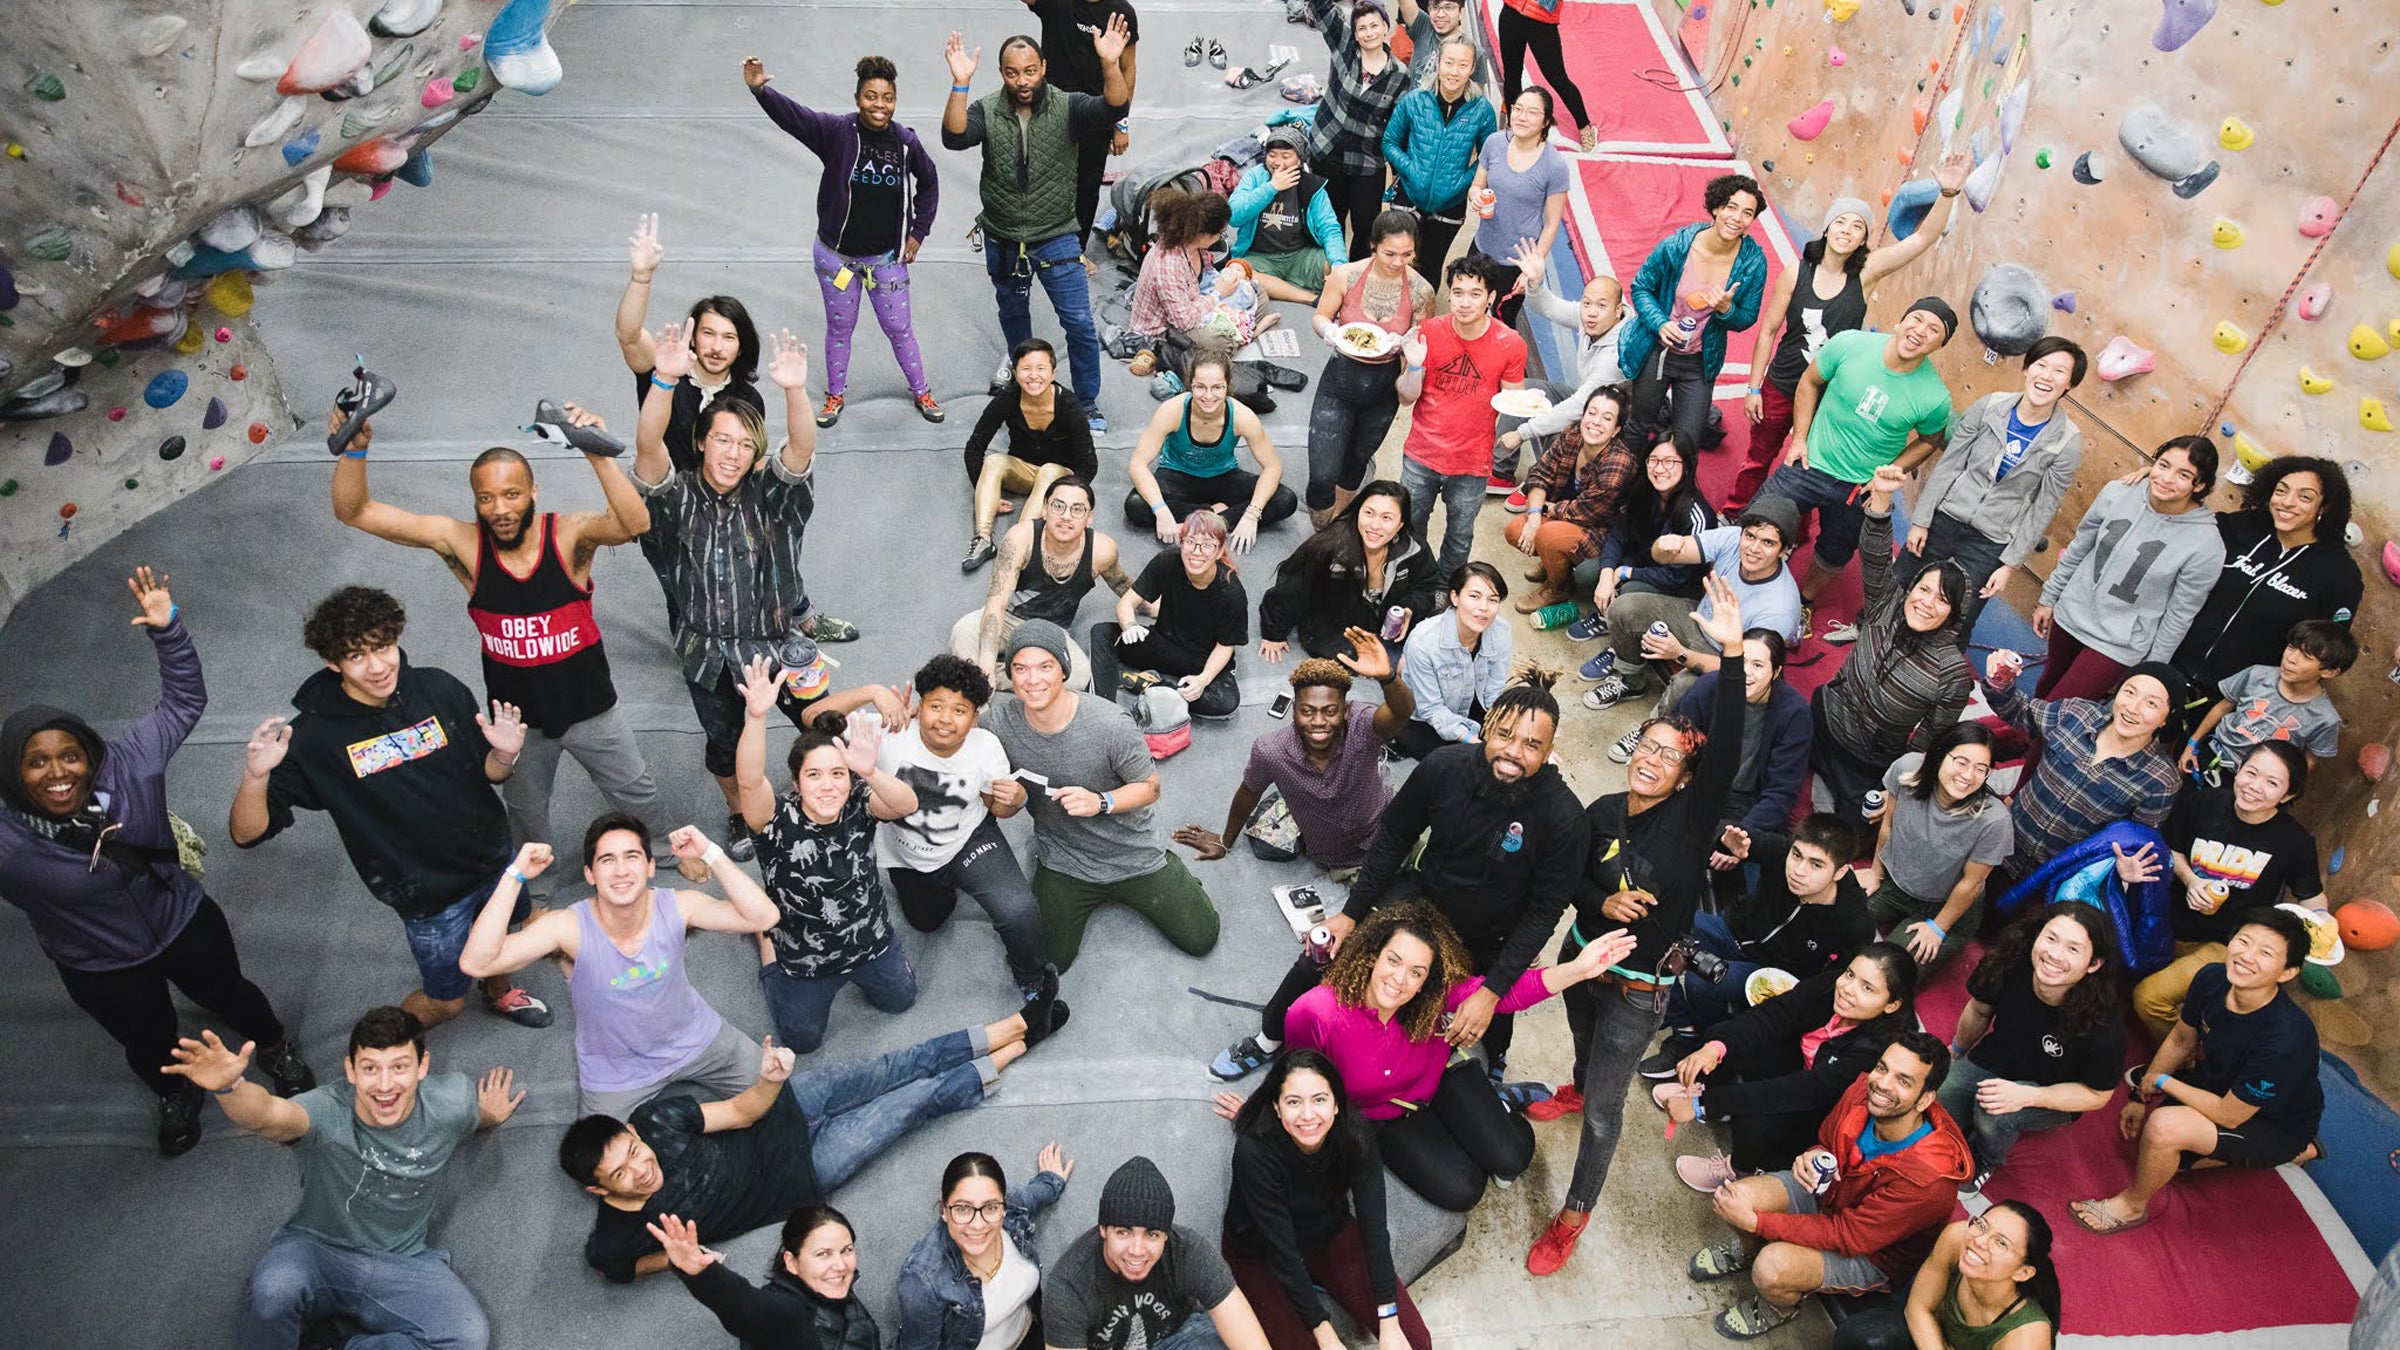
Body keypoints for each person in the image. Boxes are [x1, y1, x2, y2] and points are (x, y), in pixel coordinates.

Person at [3, 567, 311, 1156]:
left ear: (89, 753)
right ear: (12, 776)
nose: (58, 771)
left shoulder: (130, 763)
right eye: (35, 763)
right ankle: (173, 1093)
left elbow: (183, 701)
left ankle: (273, 1047)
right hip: (98, 963)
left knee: (232, 994)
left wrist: (168, 631)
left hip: (181, 919)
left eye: (69, 755)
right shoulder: (7, 838)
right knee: (146, 1038)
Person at [1525, 583, 1754, 1273]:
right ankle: (1571, 1082)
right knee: (1580, 1043)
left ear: (1688, 778)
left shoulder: (1691, 816)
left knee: (1603, 1111)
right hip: (1580, 963)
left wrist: (1735, 654)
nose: (1651, 759)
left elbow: (1732, 732)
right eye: (1646, 746)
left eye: (1668, 755)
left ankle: (1573, 1214)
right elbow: (1563, 882)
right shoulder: (1597, 810)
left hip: (1638, 990)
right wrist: (1602, 903)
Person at [328, 394, 660, 865]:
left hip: (592, 708)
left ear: (533, 491)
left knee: (637, 793)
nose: (499, 508)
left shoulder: (566, 535)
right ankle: (537, 893)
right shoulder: (462, 543)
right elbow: (355, 511)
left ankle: (664, 850)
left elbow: (635, 523)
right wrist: (355, 450)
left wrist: (595, 452)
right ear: (475, 501)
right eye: (486, 498)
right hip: (517, 723)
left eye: (511, 494)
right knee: (526, 816)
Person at [1214, 673, 1591, 1084]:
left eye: (1532, 744)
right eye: (1505, 735)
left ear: (1549, 750)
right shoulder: (1444, 766)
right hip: (1420, 901)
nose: (1513, 752)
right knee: (1320, 955)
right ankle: (1268, 1038)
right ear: (1487, 728)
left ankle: (1495, 1064)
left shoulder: (1566, 819)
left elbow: (1544, 912)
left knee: (1494, 1015)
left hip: (1491, 935)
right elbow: (1393, 838)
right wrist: (1352, 913)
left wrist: (1492, 991)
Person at [229, 585, 551, 1032]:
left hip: (495, 863)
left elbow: (490, 774)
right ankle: (383, 1047)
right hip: (429, 897)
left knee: (497, 941)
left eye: (383, 646)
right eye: (357, 656)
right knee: (446, 1002)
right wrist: (256, 777)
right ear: (332, 662)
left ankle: (499, 992)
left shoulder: (440, 689)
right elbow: (247, 834)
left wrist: (504, 755)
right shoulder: (313, 738)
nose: (378, 666)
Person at [567, 1003, 1064, 1282]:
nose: (640, 1169)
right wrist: (675, 1256)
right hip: (802, 1175)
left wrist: (768, 1080)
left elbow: (741, 1111)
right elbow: (617, 1266)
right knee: (912, 1103)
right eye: (621, 1175)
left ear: (632, 1133)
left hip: (789, 1106)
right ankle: (1016, 1050)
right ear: (597, 1189)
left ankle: (1018, 1022)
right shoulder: (613, 1234)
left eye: (632, 1152)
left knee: (897, 1065)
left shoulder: (653, 1120)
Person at [635, 325, 883, 858]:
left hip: (777, 641)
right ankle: (737, 814)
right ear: (701, 440)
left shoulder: (771, 495)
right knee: (724, 747)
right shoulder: (676, 497)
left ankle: (836, 792)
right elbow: (647, 447)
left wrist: (795, 390)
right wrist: (662, 380)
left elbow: (798, 453)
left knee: (824, 722)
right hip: (707, 653)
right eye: (722, 439)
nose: (732, 453)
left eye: (746, 445)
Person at [164, 1007, 523, 1350]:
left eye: (399, 1066)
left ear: (422, 1067)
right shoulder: (325, 1111)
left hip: (404, 1259)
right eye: (370, 1068)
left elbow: (471, 1115)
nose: (384, 1085)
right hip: (317, 1248)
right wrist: (230, 1089)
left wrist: (487, 1114)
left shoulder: (453, 1102)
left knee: (465, 1337)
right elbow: (267, 1115)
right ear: (350, 1070)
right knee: (272, 1293)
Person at [1258, 902, 1637, 1210]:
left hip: (1440, 1078)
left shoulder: (1434, 993)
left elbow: (1504, 995)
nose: (1400, 980)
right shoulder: (1316, 1012)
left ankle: (1499, 1106)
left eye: (1416, 972)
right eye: (1393, 961)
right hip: (1384, 1113)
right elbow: (1297, 1077)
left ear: (1428, 978)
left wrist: (1578, 969)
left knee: (1511, 1159)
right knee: (1462, 1192)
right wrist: (1263, 1122)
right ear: (1373, 955)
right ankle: (1478, 1117)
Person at [457, 814, 777, 1114]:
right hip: (617, 1072)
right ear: (589, 874)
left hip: (697, 1040)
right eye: (607, 860)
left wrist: (709, 851)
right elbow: (477, 963)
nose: (621, 870)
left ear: (651, 866)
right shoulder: (568, 928)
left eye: (632, 857)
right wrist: (515, 875)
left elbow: (764, 916)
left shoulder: (679, 906)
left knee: (773, 1088)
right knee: (603, 1167)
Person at [1726, 154, 1970, 515]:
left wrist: (1948, 192)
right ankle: (1734, 510)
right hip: (1784, 380)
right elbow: (1769, 332)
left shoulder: (1867, 273)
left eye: (1857, 227)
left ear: (1863, 240)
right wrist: (1753, 387)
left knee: (1810, 465)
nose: (1846, 230)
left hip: (1832, 389)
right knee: (1759, 454)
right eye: (1839, 222)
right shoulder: (1796, 273)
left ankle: (1797, 527)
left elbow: (1922, 239)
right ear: (1827, 228)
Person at [1686, 1033, 1972, 1339]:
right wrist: (1811, 1156)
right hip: (1830, 1196)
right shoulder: (1864, 1088)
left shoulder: (1929, 1181)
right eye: (1882, 1068)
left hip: (1871, 1253)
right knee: (1737, 1195)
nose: (1883, 1084)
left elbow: (1849, 1235)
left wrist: (1759, 1223)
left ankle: (1777, 1308)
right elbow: (1826, 1140)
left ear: (1926, 1099)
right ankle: (1746, 1251)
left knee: (1771, 1267)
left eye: (1904, 1081)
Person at [984, 620, 1221, 969]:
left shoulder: (1110, 724)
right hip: (1064, 858)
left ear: (1063, 670)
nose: (1032, 680)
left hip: (1131, 852)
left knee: (1202, 937)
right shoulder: (998, 724)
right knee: (1047, 960)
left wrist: (1101, 802)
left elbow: (1150, 787)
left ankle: (1172, 873)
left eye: (1044, 667)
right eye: (1021, 669)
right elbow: (947, 732)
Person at [2073, 908, 2323, 1235]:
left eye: (2265, 953)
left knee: (2164, 1130)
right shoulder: (2212, 978)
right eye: (2243, 941)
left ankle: (2133, 1207)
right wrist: (2140, 1095)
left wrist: (2163, 1081)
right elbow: (2180, 1038)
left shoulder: (2285, 1039)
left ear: (2287, 972)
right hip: (2219, 1086)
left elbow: (2229, 1114)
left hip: (2269, 1122)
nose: (2246, 956)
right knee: (2159, 1151)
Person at [941, 23, 1130, 426]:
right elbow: (954, 137)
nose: (1022, 80)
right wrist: (960, 84)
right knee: (1014, 314)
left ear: (1043, 67)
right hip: (1004, 236)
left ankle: (1087, 403)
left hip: (1058, 235)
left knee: (1079, 322)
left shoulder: (1069, 106)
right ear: (1002, 73)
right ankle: (1026, 387)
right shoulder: (987, 110)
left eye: (1029, 71)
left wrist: (1110, 64)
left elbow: (1114, 108)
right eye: (1012, 73)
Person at [734, 665, 926, 1053]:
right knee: (802, 1042)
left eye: (838, 773)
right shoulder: (775, 821)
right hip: (802, 958)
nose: (827, 785)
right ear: (796, 783)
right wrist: (756, 716)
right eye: (814, 775)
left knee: (903, 999)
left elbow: (907, 804)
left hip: (869, 941)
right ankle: (765, 940)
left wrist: (868, 772)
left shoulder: (858, 801)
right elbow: (750, 781)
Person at [745, 53, 943, 426]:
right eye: (871, 96)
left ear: (895, 101)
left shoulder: (905, 143)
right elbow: (795, 117)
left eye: (886, 98)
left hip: (885, 262)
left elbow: (929, 183)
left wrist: (918, 232)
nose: (879, 106)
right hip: (836, 260)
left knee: (900, 329)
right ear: (857, 98)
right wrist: (760, 91)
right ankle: (835, 396)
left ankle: (922, 392)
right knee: (840, 329)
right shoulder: (837, 132)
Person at [1655, 944, 1923, 1189]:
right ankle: (1700, 1088)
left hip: (1816, 1116)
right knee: (1729, 1036)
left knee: (1757, 1117)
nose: (1848, 988)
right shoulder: (1833, 986)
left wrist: (1705, 1105)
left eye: (1867, 988)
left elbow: (1800, 1092)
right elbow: (1774, 1014)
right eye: (1851, 974)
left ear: (1892, 1004)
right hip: (1799, 1069)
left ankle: (1739, 1170)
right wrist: (1715, 1048)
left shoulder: (1877, 1052)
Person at [1218, 1050, 1434, 1349]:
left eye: (1319, 1099)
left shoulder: (1356, 1136)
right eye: (1294, 1102)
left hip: (1326, 1232)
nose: (1308, 1115)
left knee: (1415, 1343)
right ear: (1277, 1108)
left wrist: (1389, 1319)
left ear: (1336, 1104)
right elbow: (1282, 1251)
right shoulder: (1254, 1152)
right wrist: (1324, 1332)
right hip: (1261, 1252)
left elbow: (1374, 1230)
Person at [876, 656, 1058, 1006]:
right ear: (919, 705)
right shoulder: (892, 732)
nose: (945, 719)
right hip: (911, 856)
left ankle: (1031, 975)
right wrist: (871, 692)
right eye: (936, 706)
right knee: (927, 922)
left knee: (1017, 910)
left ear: (975, 719)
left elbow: (999, 809)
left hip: (969, 839)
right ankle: (944, 886)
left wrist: (1015, 801)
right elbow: (813, 717)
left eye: (960, 710)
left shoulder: (985, 746)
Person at [1758, 299, 1957, 608]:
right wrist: (1799, 438)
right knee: (1759, 519)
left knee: (1834, 552)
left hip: (1858, 487)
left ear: (1939, 345)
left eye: (1933, 331)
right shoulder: (1849, 343)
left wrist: (1889, 473)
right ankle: (1749, 584)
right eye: (1916, 320)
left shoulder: (1935, 397)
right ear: (1900, 321)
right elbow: (1810, 381)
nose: (1920, 332)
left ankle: (1803, 603)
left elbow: (1929, 440)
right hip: (1810, 462)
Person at [1809, 465, 1973, 835]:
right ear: (1911, 588)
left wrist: (1895, 783)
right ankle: (1818, 772)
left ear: (1953, 615)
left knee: (1848, 835)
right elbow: (1875, 554)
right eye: (1924, 590)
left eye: (1943, 600)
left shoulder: (1952, 674)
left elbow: (1929, 741)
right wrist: (1881, 498)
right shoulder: (1888, 603)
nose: (1928, 603)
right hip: (1826, 717)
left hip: (1867, 761)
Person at [2130, 741, 2326, 1039]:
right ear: (2239, 770)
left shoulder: (2295, 841)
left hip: (2227, 942)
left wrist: (2324, 924)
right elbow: (2172, 847)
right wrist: (2191, 880)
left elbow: (2310, 896)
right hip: (2165, 922)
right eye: (2251, 773)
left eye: (2271, 783)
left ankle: (2191, 1058)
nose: (2254, 787)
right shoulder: (2203, 802)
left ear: (2288, 794)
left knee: (2148, 998)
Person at [1174, 633, 1414, 875]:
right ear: (1293, 711)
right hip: (1340, 858)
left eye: (1330, 711)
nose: (1318, 722)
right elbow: (1249, 791)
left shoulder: (1362, 724)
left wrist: (1388, 678)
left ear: (1345, 710)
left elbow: (1401, 712)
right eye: (1307, 711)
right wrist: (1225, 842)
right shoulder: (1271, 751)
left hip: (1387, 826)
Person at [1899, 336, 2089, 638]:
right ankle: (1870, 638)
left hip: (1990, 540)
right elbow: (1950, 464)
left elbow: (2043, 508)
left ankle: (1934, 679)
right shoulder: (1989, 406)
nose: (2047, 376)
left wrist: (2009, 563)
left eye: (2059, 371)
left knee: (1963, 615)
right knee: (1904, 582)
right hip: (1945, 516)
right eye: (2041, 365)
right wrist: (1921, 519)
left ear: (2069, 385)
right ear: (2027, 369)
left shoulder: (2067, 442)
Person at [1643, 815, 1874, 1060]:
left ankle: (1704, 1042)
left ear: (1840, 872)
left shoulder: (1854, 921)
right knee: (1654, 923)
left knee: (1701, 980)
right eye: (1797, 855)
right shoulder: (1782, 852)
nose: (1798, 870)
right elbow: (1719, 828)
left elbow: (1840, 978)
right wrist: (1724, 840)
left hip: (1768, 970)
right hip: (1731, 930)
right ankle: (1683, 1026)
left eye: (1816, 865)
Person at [1943, 901, 2124, 1184]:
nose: (2054, 955)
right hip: (2000, 1057)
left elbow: (2097, 1095)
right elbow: (1979, 1010)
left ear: (2094, 964)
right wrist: (1957, 1050)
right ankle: (1953, 1133)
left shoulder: (2103, 1023)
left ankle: (1985, 1158)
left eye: (2073, 949)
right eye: (2050, 938)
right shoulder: (2007, 963)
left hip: (2053, 1089)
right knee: (1947, 1089)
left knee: (1995, 1114)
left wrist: (2029, 1096)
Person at [2032, 436, 2223, 703]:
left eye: (2183, 475)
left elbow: (2180, 614)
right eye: (2163, 465)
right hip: (2072, 614)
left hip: (2119, 644)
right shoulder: (2118, 492)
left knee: (2062, 709)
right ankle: (2018, 742)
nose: (2167, 478)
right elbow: (2080, 546)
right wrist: (2049, 597)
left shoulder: (2206, 545)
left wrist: (2151, 669)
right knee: (2045, 688)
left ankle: (2032, 745)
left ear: (2199, 485)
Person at [1979, 653, 2180, 890]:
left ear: (2166, 719)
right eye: (2129, 692)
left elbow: (2134, 841)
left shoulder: (2161, 780)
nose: (2133, 708)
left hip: (2054, 879)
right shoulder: (2077, 713)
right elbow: (2022, 713)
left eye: (2151, 703)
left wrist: (2123, 869)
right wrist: (2000, 683)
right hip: (2002, 840)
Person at [1583, 495, 1801, 713]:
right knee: (1624, 608)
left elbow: (1742, 671)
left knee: (1684, 688)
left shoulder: (1779, 609)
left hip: (1729, 655)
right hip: (1698, 617)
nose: (1753, 548)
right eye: (1750, 536)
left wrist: (1679, 653)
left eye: (1768, 543)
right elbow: (1667, 554)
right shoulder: (1733, 538)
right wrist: (1664, 547)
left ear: (1784, 551)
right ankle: (1630, 681)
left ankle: (1657, 728)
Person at [2174, 455, 2362, 697]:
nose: (2287, 503)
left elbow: (2326, 648)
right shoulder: (2244, 526)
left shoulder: (2340, 574)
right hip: (2169, 667)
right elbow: (2183, 523)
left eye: (2304, 497)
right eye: (2281, 491)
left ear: (2324, 507)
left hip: (2235, 700)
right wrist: (2153, 482)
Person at [1044, 1156, 1274, 1350]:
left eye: (1151, 1234)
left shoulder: (1189, 1252)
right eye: (1123, 1232)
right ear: (1103, 1229)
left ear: (1166, 1234)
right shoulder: (1069, 1285)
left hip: (1178, 1338)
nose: (1136, 1250)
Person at [1657, 632, 1811, 915]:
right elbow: (1676, 744)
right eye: (1740, 661)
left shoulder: (1794, 714)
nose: (1746, 673)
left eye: (1758, 665)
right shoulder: (1710, 687)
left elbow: (1780, 793)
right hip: (1700, 790)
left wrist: (1738, 837)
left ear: (1777, 672)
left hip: (1749, 808)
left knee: (1750, 902)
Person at [1618, 174, 1769, 460]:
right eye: (1730, 207)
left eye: (1747, 213)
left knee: (1688, 440)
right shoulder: (1677, 246)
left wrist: (1726, 310)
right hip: (1657, 353)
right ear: (1716, 208)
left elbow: (1747, 317)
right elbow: (1641, 287)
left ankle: (1671, 498)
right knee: (1638, 426)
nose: (1737, 218)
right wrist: (1660, 323)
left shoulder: (1753, 262)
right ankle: (1620, 488)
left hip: (1700, 362)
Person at [1397, 253, 1529, 579]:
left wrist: (1522, 420)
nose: (1465, 302)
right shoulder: (1428, 331)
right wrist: (1414, 365)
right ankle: (1411, 586)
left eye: (1475, 294)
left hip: (1472, 462)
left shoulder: (1510, 343)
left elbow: (1514, 402)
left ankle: (1446, 592)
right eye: (1458, 293)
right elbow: (1405, 396)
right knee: (1410, 531)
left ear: (1491, 298)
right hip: (1421, 455)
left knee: (1459, 538)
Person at [1302, 211, 1437, 525]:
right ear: (1373, 246)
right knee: (1322, 475)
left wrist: (1406, 350)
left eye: (1407, 255)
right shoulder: (1346, 276)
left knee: (1354, 464)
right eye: (1390, 253)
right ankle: (1320, 530)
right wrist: (1330, 332)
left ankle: (1335, 527)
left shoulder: (1421, 291)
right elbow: (1320, 316)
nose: (1397, 262)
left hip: (1382, 387)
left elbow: (1418, 346)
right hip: (1341, 379)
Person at [1856, 721, 2014, 969]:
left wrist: (1939, 928)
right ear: (1940, 754)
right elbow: (1888, 826)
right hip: (1896, 882)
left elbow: (1971, 884)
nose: (1968, 776)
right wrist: (1875, 872)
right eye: (1961, 762)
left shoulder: (1993, 820)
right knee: (1838, 915)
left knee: (1887, 970)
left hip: (1944, 905)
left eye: (1981, 769)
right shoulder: (1908, 768)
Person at [614, 214, 764, 473]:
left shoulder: (750, 399)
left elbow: (754, 464)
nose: (717, 347)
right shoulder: (665, 373)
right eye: (708, 333)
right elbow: (629, 335)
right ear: (692, 337)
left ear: (741, 348)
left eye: (729, 337)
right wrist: (641, 277)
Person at [896, 1145, 1075, 1350]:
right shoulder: (921, 1280)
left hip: (1027, 1332)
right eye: (963, 1208)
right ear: (944, 1210)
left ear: (1003, 1205)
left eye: (990, 1207)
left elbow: (1034, 1196)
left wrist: (1052, 1180)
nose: (978, 1225)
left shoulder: (1012, 1208)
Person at [958, 474, 1127, 688]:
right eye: (1058, 506)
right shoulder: (1020, 538)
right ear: (1045, 509)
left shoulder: (1102, 550)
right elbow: (996, 603)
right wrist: (987, 664)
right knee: (963, 631)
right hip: (1008, 619)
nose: (1066, 516)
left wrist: (1154, 606)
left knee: (1079, 675)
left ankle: (1001, 677)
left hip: (1051, 631)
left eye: (1077, 509)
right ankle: (984, 684)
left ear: (1089, 517)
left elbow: (1121, 584)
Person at [1493, 242, 1627, 502]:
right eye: (1586, 303)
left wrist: (1521, 434)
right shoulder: (1589, 316)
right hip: (1588, 398)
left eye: (1600, 306)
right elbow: (1548, 307)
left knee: (1570, 422)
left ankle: (1540, 482)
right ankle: (1500, 472)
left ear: (1617, 311)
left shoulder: (1615, 355)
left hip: (1613, 415)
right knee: (1524, 391)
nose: (1590, 312)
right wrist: (1536, 282)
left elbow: (1577, 407)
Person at [1828, 1203, 2061, 1350]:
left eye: (2001, 1243)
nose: (1979, 1241)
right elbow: (1918, 1309)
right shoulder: (1959, 1237)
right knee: (1860, 1337)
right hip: (1930, 1334)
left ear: (2023, 1272)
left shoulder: (2026, 1338)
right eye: (1981, 1225)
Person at [646, 1204, 878, 1350]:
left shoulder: (820, 1286)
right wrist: (703, 1275)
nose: (841, 1264)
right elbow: (745, 1305)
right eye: (823, 1254)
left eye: (846, 1250)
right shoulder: (789, 1317)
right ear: (791, 1262)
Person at [1257, 479, 1442, 660]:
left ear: (1400, 524)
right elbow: (1290, 588)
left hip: (1386, 630)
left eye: (1386, 518)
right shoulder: (1329, 547)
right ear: (1358, 512)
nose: (1375, 525)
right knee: (1351, 659)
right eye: (1369, 513)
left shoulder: (1413, 549)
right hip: (1334, 627)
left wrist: (1409, 607)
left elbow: (1432, 587)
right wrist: (1273, 634)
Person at [1090, 510, 1250, 718]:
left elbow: (1225, 646)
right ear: (1182, 544)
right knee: (1102, 632)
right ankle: (1103, 708)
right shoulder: (1167, 562)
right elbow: (1126, 603)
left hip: (1202, 660)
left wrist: (1203, 679)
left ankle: (1152, 686)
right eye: (1190, 542)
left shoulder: (1231, 592)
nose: (1197, 552)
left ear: (1219, 552)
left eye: (1208, 545)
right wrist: (1130, 625)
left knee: (1225, 702)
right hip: (1163, 643)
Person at [961, 340, 1103, 571]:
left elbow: (1089, 464)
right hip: (1024, 471)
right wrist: (986, 490)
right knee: (994, 460)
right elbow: (975, 446)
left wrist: (1067, 499)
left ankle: (1018, 542)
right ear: (1015, 373)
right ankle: (983, 539)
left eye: (1040, 369)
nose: (1033, 376)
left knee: (1049, 470)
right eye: (1026, 369)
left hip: (1057, 476)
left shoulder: (1068, 405)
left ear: (1052, 373)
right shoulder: (1008, 399)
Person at [1570, 436, 1718, 657]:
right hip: (1639, 563)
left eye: (1670, 462)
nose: (1660, 469)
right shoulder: (1643, 491)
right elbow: (1618, 534)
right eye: (1653, 460)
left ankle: (1628, 641)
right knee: (1587, 573)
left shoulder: (1696, 515)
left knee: (1630, 591)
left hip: (1676, 587)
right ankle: (1606, 617)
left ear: (1686, 466)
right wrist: (1608, 572)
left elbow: (1679, 577)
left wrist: (1626, 573)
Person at [1126, 355, 1299, 542]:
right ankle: (1212, 514)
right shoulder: (1172, 410)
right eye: (1201, 387)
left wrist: (1252, 515)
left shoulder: (1242, 416)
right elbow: (1138, 463)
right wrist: (1161, 511)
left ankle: (1217, 521)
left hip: (1223, 476)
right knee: (1136, 505)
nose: (1208, 396)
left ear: (1227, 386)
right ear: (1190, 385)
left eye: (1217, 387)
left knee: (1285, 499)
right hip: (1177, 475)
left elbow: (1273, 467)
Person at [1499, 384, 1637, 613]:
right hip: (1562, 516)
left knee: (1548, 536)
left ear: (1615, 430)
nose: (1595, 422)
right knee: (1516, 530)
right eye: (1591, 413)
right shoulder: (1573, 434)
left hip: (1602, 533)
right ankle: (1551, 561)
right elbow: (1540, 473)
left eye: (1606, 418)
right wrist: (1534, 517)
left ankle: (1557, 587)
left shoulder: (1618, 463)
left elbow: (1584, 513)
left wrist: (1547, 511)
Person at [1016, 0, 1141, 246]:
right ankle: (1038, 241)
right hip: (1051, 112)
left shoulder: (1122, 12)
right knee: (1040, 178)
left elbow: (1128, 69)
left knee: (1087, 186)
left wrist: (1121, 123)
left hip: (1097, 116)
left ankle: (1075, 250)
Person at [1380, 37, 1496, 286]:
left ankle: (1423, 324)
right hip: (1408, 197)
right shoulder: (1415, 100)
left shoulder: (1482, 110)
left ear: (1472, 68)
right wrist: (1411, 169)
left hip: (1450, 206)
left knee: (1430, 269)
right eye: (1449, 63)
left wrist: (1463, 182)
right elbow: (1389, 142)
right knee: (1396, 265)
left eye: (1463, 65)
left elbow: (1490, 156)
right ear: (1438, 62)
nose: (1454, 72)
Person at [1303, 0, 1412, 256]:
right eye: (1362, 27)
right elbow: (1323, 9)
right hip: (1328, 147)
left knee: (1365, 224)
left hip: (1366, 157)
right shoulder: (1345, 47)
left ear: (1386, 27)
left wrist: (1399, 167)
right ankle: (1332, 271)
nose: (1369, 32)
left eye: (1375, 25)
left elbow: (1397, 126)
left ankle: (1354, 275)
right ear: (1355, 33)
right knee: (1331, 218)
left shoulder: (1399, 75)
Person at [2184, 619, 2352, 778]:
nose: (2291, 659)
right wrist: (2192, 744)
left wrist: (2283, 790)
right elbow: (2223, 706)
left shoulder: (2325, 719)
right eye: (2291, 648)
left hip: (2254, 780)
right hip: (2211, 753)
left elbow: (2309, 760)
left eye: (2306, 657)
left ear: (2329, 671)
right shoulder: (2257, 674)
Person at [1463, 88, 1568, 333]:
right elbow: (1477, 184)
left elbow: (1552, 223)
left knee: (1500, 322)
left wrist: (1530, 268)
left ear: (1546, 121)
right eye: (1518, 109)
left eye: (1532, 112)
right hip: (1481, 246)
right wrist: (1476, 195)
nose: (1522, 117)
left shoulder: (1554, 165)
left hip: (1515, 261)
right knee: (1466, 308)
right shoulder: (1495, 143)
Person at [1394, 562, 1513, 759]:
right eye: (1474, 597)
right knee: (1459, 764)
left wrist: (1508, 727)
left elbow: (1494, 691)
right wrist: (1474, 742)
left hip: (1471, 708)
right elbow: (1432, 709)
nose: (1484, 608)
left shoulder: (1501, 631)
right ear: (1455, 597)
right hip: (1427, 719)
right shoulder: (1423, 642)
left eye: (1493, 600)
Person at [1128, 190, 1243, 377]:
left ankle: (1240, 328)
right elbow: (1182, 322)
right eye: (1220, 234)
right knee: (1218, 340)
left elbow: (1207, 278)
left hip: (1194, 302)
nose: (1221, 238)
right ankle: (1244, 329)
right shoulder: (1168, 263)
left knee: (1255, 292)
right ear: (1204, 234)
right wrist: (1218, 294)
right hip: (1164, 330)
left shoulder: (1193, 247)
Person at [1229, 127, 1348, 303]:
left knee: (1338, 267)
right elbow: (1234, 215)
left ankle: (1281, 287)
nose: (1277, 162)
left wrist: (1339, 265)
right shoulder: (1255, 177)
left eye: (1286, 156)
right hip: (1261, 257)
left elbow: (1329, 228)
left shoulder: (1311, 186)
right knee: (1238, 271)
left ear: (1299, 159)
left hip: (1300, 256)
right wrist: (1271, 188)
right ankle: (1311, 298)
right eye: (1272, 155)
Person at [1494, 0, 1596, 153]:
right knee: (1512, 76)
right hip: (1512, 12)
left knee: (1557, 78)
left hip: (1542, 20)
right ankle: (1514, 127)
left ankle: (1585, 127)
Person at [1398, 0, 1495, 90]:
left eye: (1448, 8)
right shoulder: (1423, 28)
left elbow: (1476, 100)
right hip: (1413, 106)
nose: (1440, 15)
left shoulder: (1475, 51)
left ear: (1461, 12)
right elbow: (1405, 3)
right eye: (1435, 7)